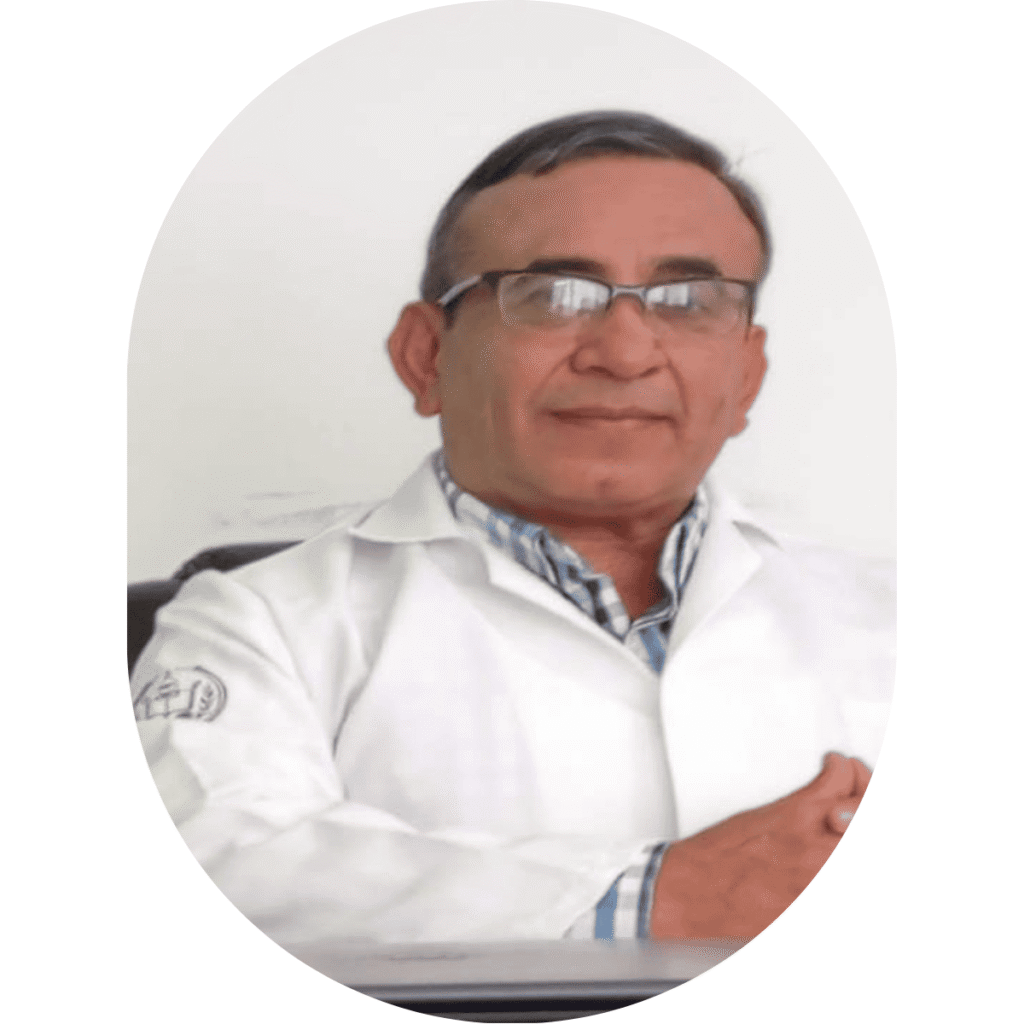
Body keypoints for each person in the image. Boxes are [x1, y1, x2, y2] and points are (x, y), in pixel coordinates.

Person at [130, 111, 894, 947]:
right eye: (554, 295)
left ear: (746, 374)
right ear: (426, 356)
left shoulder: (893, 617)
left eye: (688, 301)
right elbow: (209, 860)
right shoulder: (251, 624)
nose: (626, 353)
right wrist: (654, 900)